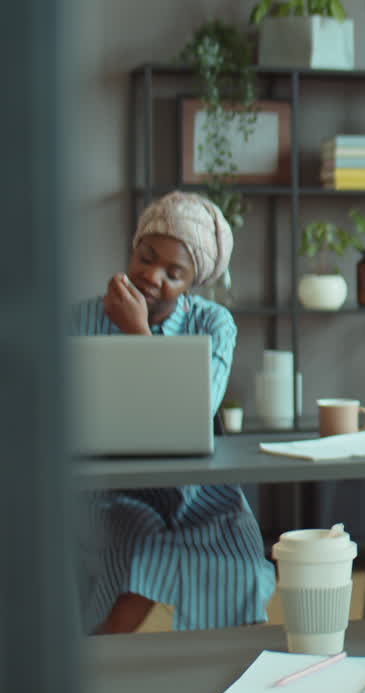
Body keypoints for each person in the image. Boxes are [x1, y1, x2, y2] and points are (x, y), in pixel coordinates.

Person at [73, 191, 276, 633]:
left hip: (198, 493)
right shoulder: (80, 319)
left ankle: (232, 678)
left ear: (193, 283)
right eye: (145, 257)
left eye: (173, 272)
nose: (151, 275)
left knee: (239, 564)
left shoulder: (213, 323)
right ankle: (95, 669)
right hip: (113, 491)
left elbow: (198, 406)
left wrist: (138, 332)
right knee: (133, 551)